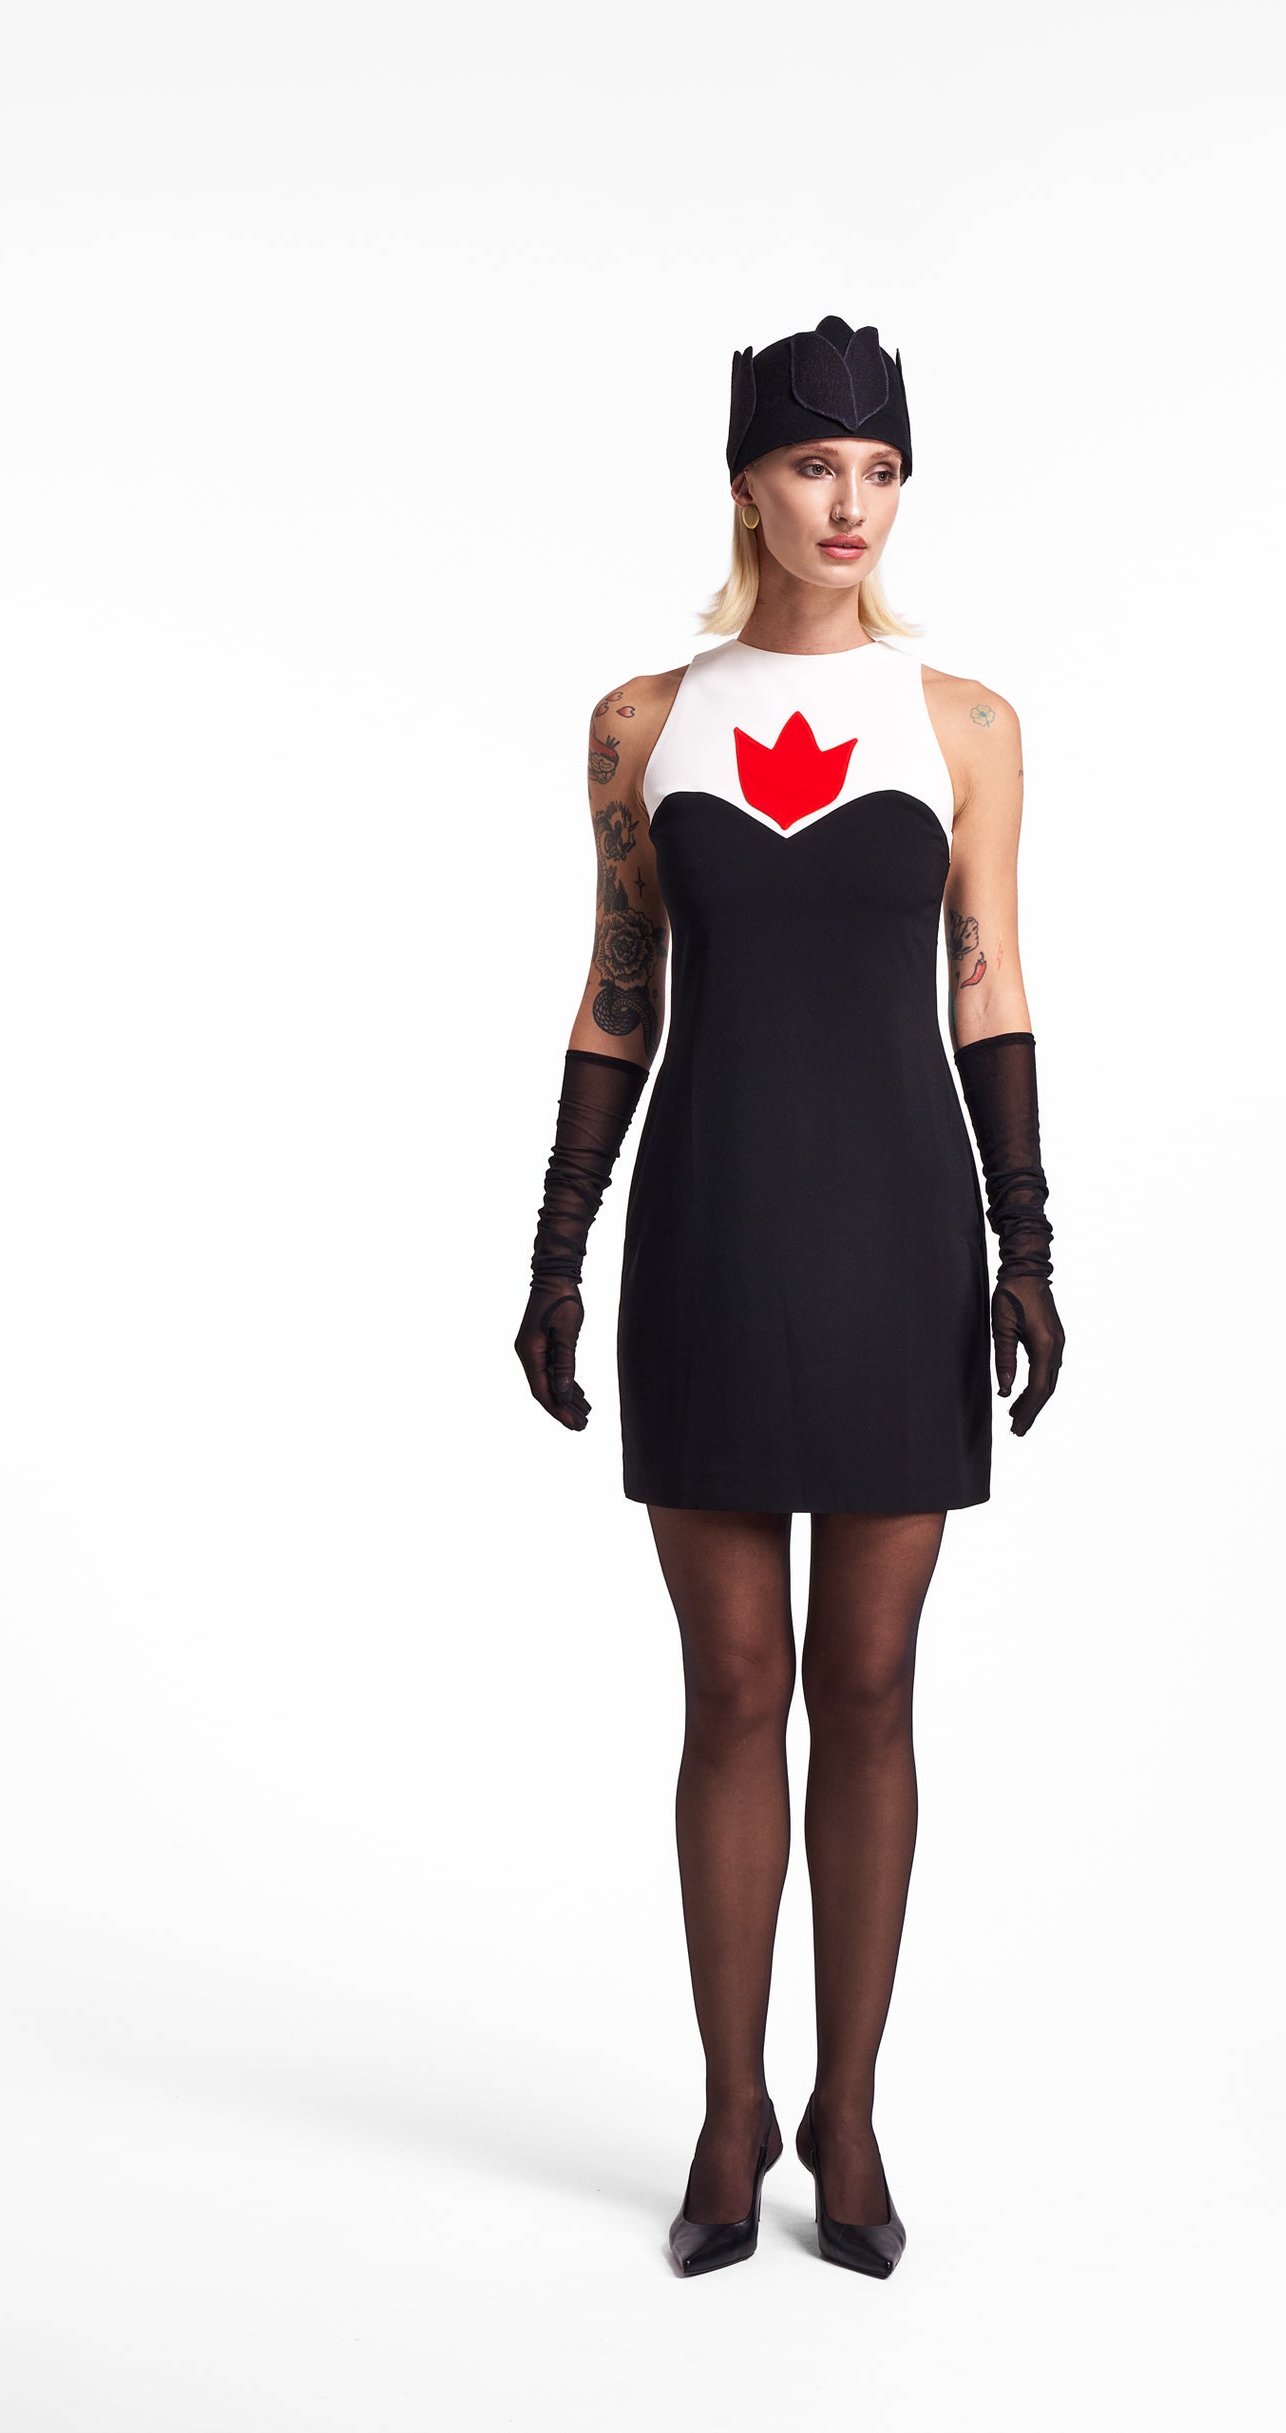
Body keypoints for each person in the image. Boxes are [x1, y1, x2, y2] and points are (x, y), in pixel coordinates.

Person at [515, 316, 1064, 2278]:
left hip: (900, 1229)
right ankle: (729, 2106)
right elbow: (619, 984)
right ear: (746, 482)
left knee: (870, 1684)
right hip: (713, 1226)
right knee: (734, 1683)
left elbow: (986, 981)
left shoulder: (963, 721)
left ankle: (848, 2107)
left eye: (881, 469)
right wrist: (558, 1241)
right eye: (816, 464)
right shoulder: (638, 721)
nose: (852, 503)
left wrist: (1024, 1238)